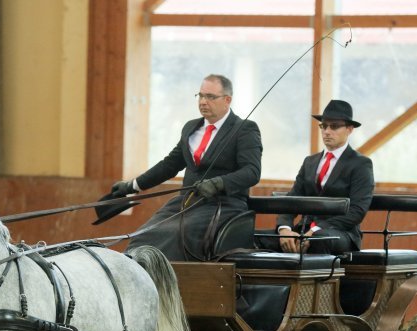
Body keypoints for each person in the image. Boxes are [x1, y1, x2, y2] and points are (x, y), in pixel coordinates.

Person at [108, 74, 262, 261]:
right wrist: (132, 186)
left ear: (227, 100)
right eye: (200, 96)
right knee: (144, 234)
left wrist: (219, 183)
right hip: (187, 202)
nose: (203, 102)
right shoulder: (190, 128)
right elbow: (169, 165)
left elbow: (252, 172)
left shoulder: (245, 129)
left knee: (175, 233)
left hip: (223, 205)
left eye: (210, 97)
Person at [267, 99, 374, 255]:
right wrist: (285, 229)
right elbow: (291, 200)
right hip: (304, 231)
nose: (327, 131)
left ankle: (312, 279)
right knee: (255, 237)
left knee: (319, 240)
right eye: (323, 126)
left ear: (350, 129)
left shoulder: (361, 164)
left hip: (339, 233)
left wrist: (317, 229)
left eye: (334, 126)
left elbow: (357, 211)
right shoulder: (309, 162)